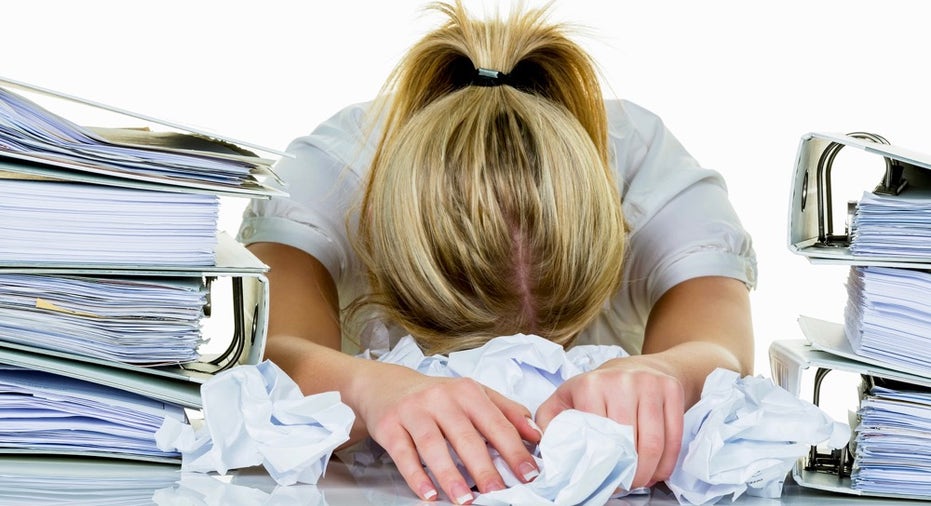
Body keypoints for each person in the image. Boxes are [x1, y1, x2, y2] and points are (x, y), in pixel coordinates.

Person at [238, 1, 756, 503]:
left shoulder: (652, 176)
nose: (514, 372)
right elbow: (267, 352)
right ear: (389, 261)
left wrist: (665, 373)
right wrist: (366, 386)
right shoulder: (327, 177)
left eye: (551, 345)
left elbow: (723, 354)